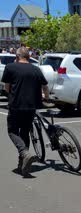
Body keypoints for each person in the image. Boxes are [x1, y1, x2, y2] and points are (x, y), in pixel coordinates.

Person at [1, 47, 49, 176]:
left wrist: (11, 94)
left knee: (12, 131)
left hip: (16, 105)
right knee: (25, 132)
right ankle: (22, 163)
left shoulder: (10, 67)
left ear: (17, 57)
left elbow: (6, 87)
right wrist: (46, 96)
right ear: (28, 57)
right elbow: (45, 86)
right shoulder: (36, 69)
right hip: (31, 107)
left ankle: (25, 153)